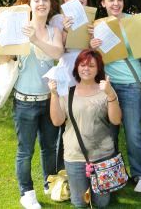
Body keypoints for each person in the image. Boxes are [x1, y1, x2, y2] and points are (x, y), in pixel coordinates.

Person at [0, 0, 64, 209]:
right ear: (29, 6)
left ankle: (49, 183)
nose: (41, 4)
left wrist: (36, 40)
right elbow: (2, 60)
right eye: (36, 1)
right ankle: (26, 192)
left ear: (50, 5)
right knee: (25, 150)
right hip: (25, 102)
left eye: (45, 1)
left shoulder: (54, 31)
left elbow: (58, 54)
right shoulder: (17, 29)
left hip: (49, 100)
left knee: (50, 147)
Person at [90, 0, 141, 193]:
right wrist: (93, 47)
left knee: (133, 131)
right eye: (111, 0)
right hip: (107, 85)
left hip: (130, 83)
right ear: (103, 3)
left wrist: (139, 42)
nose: (116, 4)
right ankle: (113, 173)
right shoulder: (96, 26)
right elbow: (90, 60)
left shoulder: (134, 22)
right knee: (109, 133)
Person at [48, 49, 122, 208]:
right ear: (76, 68)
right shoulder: (67, 92)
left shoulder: (106, 91)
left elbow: (116, 120)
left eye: (91, 66)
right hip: (75, 156)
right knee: (80, 203)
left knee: (101, 204)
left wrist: (110, 95)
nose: (86, 69)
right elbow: (57, 121)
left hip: (103, 156)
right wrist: (54, 94)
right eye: (82, 65)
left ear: (98, 69)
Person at [49, 0, 90, 171]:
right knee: (63, 125)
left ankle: (82, 168)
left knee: (81, 124)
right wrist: (65, 29)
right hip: (66, 77)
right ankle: (61, 172)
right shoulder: (57, 20)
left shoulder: (90, 19)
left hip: (85, 78)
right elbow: (58, 50)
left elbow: (91, 51)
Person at [49, 0, 89, 87]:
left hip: (86, 71)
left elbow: (93, 50)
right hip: (66, 71)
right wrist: (66, 30)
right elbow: (56, 53)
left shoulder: (91, 22)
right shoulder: (57, 19)